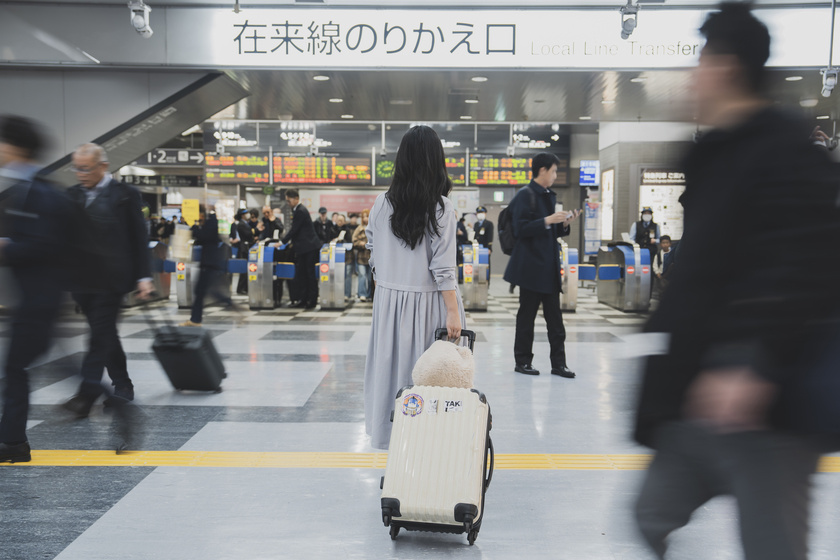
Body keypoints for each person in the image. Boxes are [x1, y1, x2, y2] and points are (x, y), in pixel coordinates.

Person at [633, 5, 840, 560]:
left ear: (725, 66)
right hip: (700, 395)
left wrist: (758, 362)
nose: (691, 76)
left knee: (774, 546)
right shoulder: (709, 154)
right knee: (651, 512)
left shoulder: (790, 153)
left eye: (699, 61)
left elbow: (811, 267)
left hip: (766, 401)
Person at [364, 125, 466, 450]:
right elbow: (443, 268)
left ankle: (393, 439)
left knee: (390, 370)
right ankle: (430, 447)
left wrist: (389, 285)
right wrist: (453, 313)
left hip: (389, 303)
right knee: (431, 375)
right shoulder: (442, 208)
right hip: (430, 304)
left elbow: (372, 251)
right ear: (436, 161)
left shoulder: (381, 203)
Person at [62, 143, 152, 419]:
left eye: (85, 168)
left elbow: (139, 238)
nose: (80, 174)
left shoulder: (125, 195)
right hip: (82, 282)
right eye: (76, 168)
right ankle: (122, 383)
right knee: (104, 334)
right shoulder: (72, 195)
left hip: (113, 280)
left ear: (103, 166)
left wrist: (144, 276)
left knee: (100, 333)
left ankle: (87, 393)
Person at [0, 116, 69, 462]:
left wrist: (6, 248)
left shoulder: (41, 192)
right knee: (26, 368)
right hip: (32, 299)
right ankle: (12, 441)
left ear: (18, 148)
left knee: (16, 369)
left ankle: (12, 443)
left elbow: (45, 246)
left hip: (41, 300)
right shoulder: (22, 189)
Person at [503, 152, 579, 379]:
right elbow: (520, 229)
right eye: (554, 171)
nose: (555, 176)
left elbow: (552, 232)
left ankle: (559, 364)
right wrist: (547, 220)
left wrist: (564, 224)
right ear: (543, 170)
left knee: (556, 321)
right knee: (526, 318)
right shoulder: (525, 196)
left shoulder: (547, 196)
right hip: (531, 270)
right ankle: (523, 361)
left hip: (548, 269)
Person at [180, 205, 233, 327]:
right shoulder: (209, 222)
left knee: (207, 292)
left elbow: (203, 236)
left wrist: (193, 227)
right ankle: (195, 319)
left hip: (210, 263)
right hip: (208, 263)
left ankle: (234, 307)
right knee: (203, 292)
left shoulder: (212, 222)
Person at [282, 188, 321, 309]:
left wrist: (281, 241)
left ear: (296, 199)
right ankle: (304, 299)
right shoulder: (298, 210)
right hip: (304, 248)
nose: (288, 203)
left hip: (309, 248)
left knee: (309, 274)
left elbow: (294, 230)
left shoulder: (300, 211)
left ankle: (312, 301)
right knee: (302, 274)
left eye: (289, 201)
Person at [332, 214, 355, 300]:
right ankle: (337, 293)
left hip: (347, 256)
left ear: (344, 221)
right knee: (337, 276)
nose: (340, 222)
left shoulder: (347, 230)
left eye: (342, 220)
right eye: (338, 220)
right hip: (336, 257)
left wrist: (342, 240)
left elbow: (350, 242)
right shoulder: (332, 229)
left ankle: (347, 294)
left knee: (348, 275)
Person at [231, 209, 254, 295]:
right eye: (246, 213)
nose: (248, 214)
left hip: (246, 248)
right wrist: (255, 230)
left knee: (247, 269)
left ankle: (245, 288)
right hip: (243, 249)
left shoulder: (245, 223)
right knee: (244, 269)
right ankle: (240, 288)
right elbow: (248, 234)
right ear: (242, 215)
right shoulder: (241, 224)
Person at [353, 209, 372, 302]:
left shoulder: (373, 227)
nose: (365, 218)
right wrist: (361, 243)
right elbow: (354, 241)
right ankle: (362, 294)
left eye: (367, 216)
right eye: (363, 216)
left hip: (371, 257)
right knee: (362, 276)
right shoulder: (359, 228)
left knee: (370, 277)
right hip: (361, 257)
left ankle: (369, 294)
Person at [473, 205, 494, 284]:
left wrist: (489, 248)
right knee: (477, 266)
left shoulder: (489, 224)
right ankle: (478, 282)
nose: (480, 214)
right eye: (478, 213)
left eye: (482, 212)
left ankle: (487, 282)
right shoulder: (476, 224)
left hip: (485, 249)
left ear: (485, 214)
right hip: (477, 249)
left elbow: (490, 236)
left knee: (486, 266)